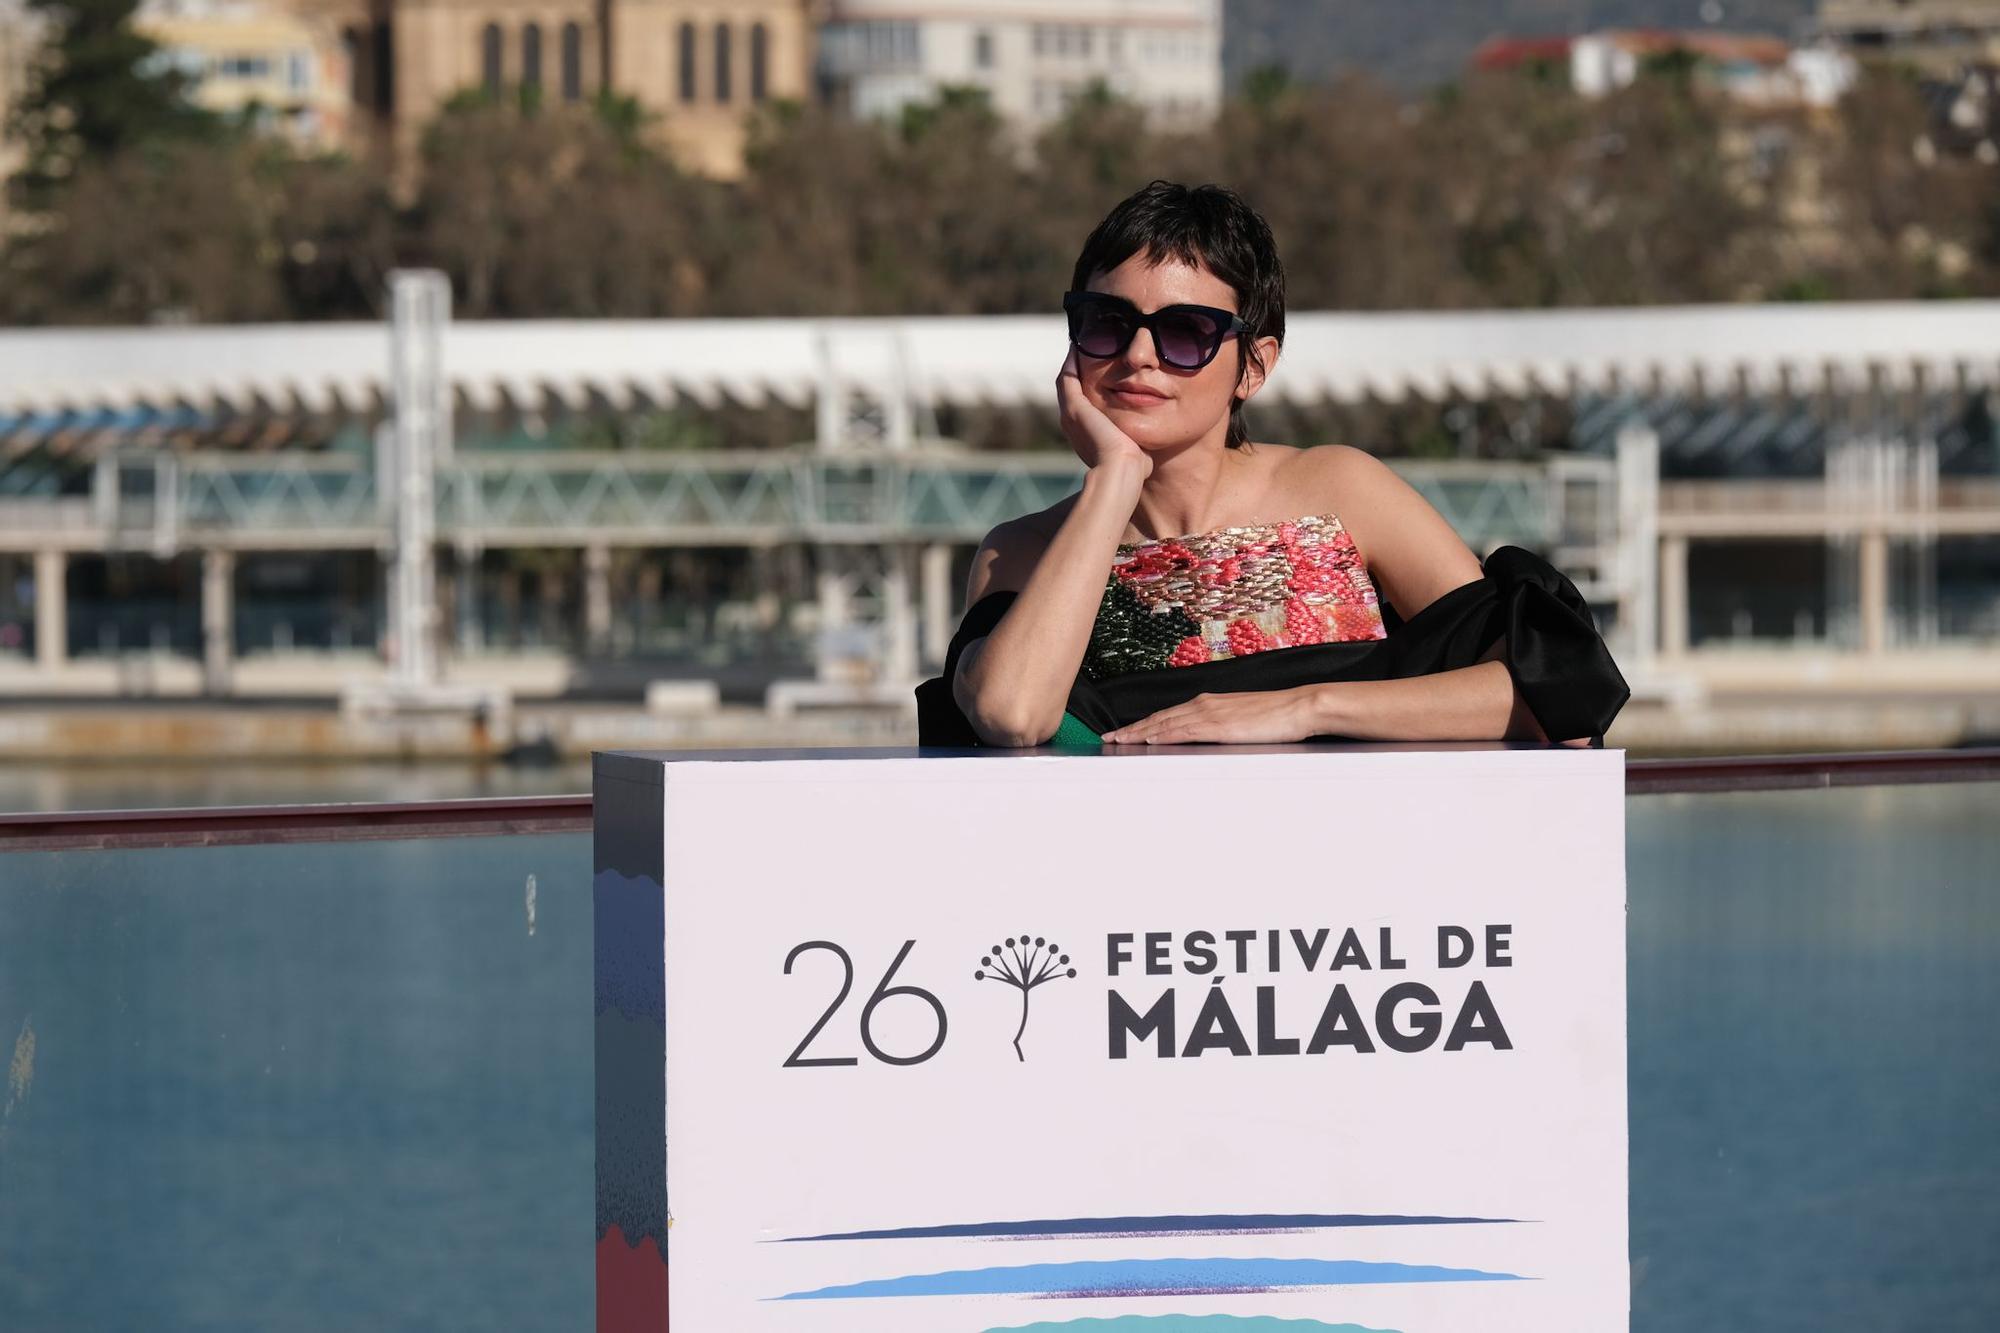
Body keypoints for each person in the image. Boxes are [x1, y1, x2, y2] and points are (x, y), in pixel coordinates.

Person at [915, 181, 1628, 749]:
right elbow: (1012, 713)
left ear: (1253, 366)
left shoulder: (1341, 493)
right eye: (1106, 322)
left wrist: (1302, 709)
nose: (1136, 356)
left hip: (1353, 917)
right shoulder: (1024, 552)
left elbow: (1548, 696)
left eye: (1184, 334)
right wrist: (1113, 479)